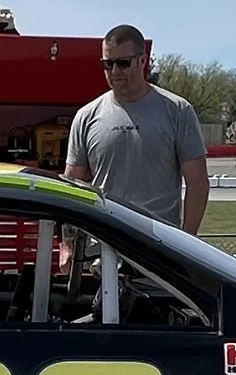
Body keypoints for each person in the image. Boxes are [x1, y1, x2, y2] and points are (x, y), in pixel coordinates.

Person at [63, 24, 209, 232]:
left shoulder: (177, 111)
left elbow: (198, 183)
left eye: (123, 63)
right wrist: (68, 244)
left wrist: (188, 241)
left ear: (142, 61)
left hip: (159, 245)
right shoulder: (87, 116)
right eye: (108, 64)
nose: (115, 72)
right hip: (104, 242)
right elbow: (72, 186)